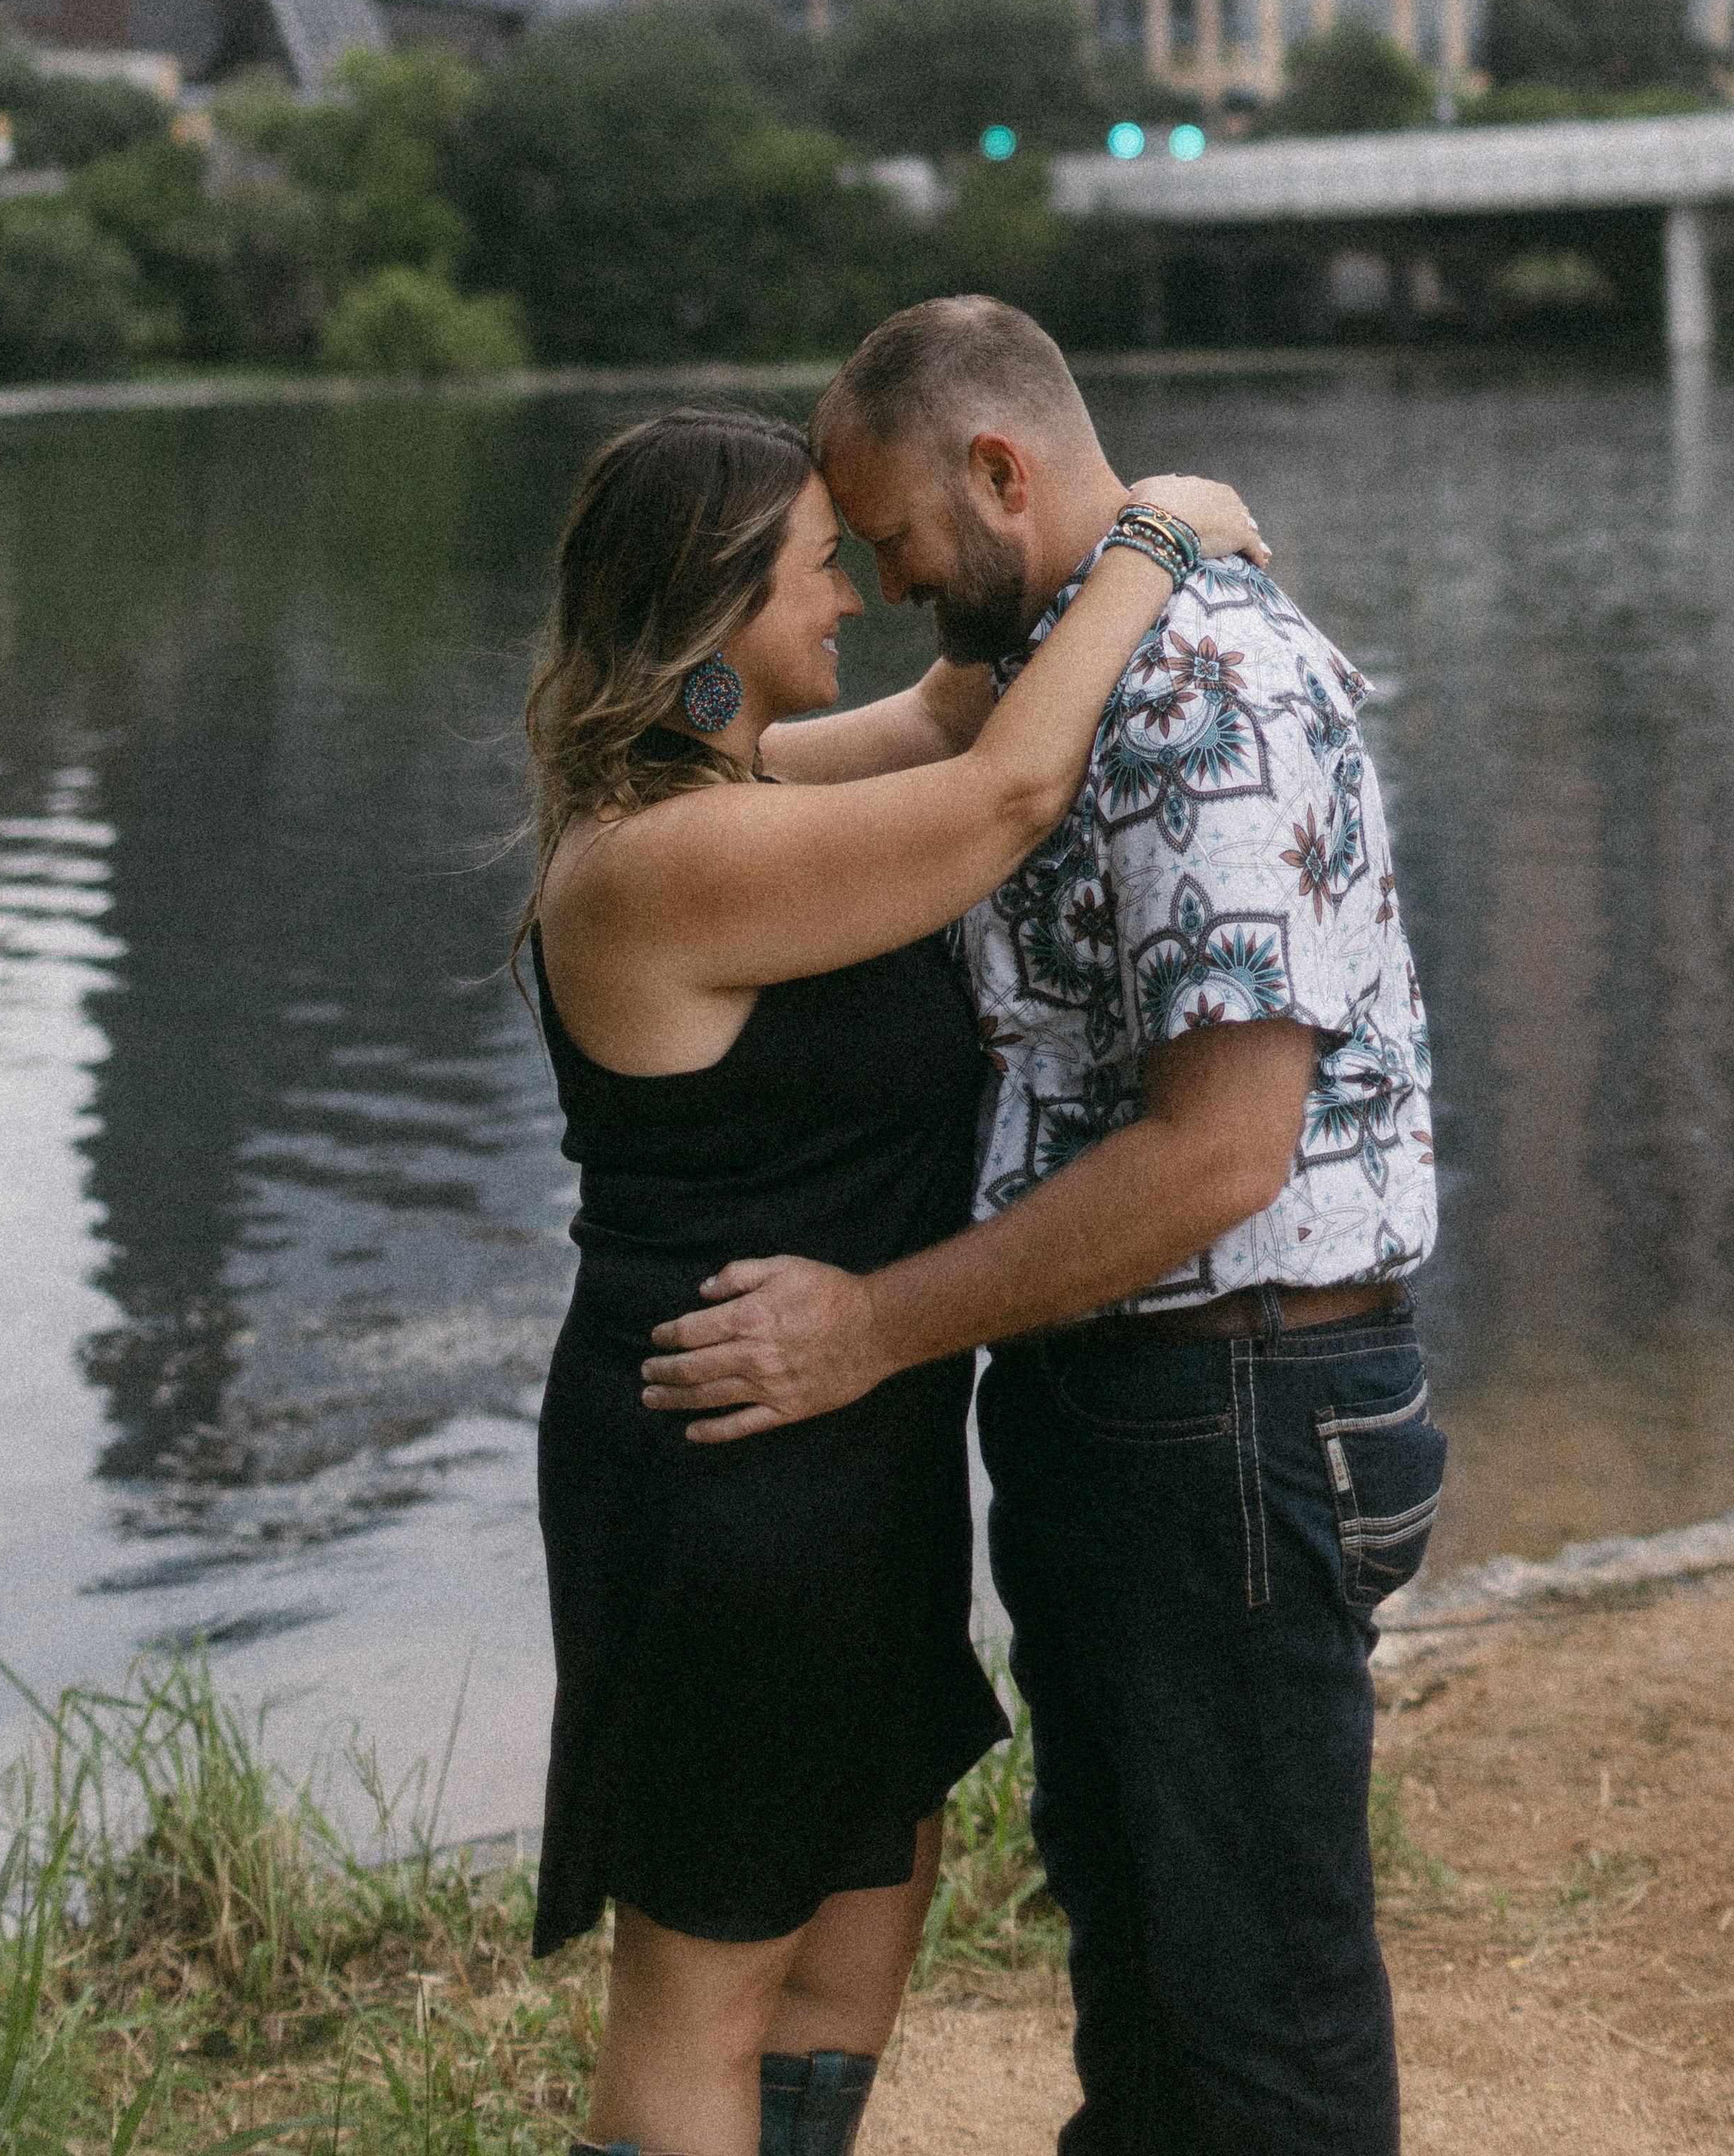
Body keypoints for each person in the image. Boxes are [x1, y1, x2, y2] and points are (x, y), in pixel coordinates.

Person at [640, 299, 1445, 2156]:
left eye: (896, 542)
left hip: (1236, 1401)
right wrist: (1156, 522)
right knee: (1150, 1981)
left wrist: (867, 1327)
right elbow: (727, 760)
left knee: (1258, 2027)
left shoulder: (1200, 685)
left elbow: (1218, 1158)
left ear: (998, 474)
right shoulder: (1042, 670)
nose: (889, 591)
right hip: (1126, 1405)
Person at [521, 400, 1268, 2156]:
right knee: (707, 1979)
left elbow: (953, 713)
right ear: (720, 602)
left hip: (853, 1436)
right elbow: (1005, 787)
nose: (850, 592)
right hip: (722, 1466)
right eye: (815, 566)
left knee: (862, 1909)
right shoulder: (662, 855)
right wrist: (1154, 541)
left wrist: (1082, 517)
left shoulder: (744, 784)